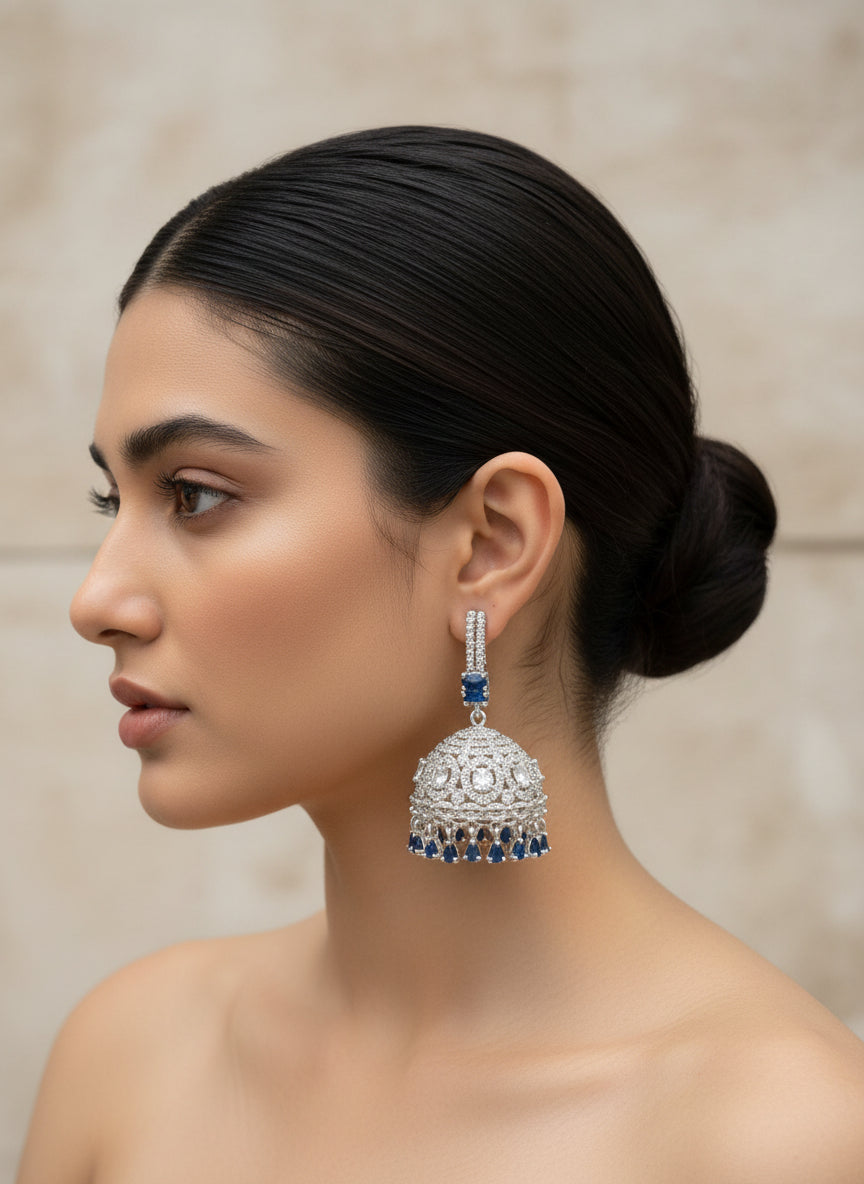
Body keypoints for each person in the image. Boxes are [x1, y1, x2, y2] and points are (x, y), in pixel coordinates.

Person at [16, 126, 864, 1183]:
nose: (98, 600)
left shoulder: (777, 1139)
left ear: (493, 543)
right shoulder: (131, 1056)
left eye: (196, 494)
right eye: (115, 498)